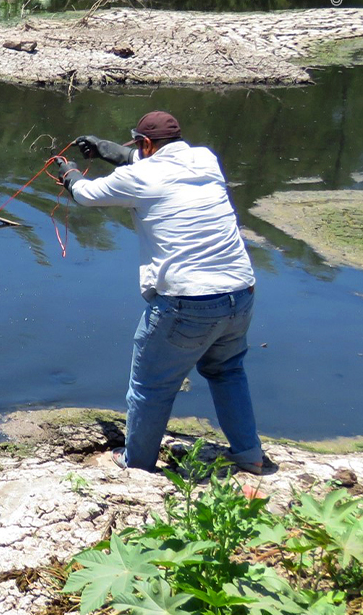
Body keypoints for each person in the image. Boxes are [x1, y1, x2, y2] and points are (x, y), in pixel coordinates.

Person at [51, 111, 267, 473]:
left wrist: (68, 172)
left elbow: (86, 195)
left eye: (137, 144)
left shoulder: (138, 176)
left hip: (187, 302)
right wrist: (107, 149)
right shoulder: (206, 159)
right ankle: (249, 455)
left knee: (151, 386)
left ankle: (136, 464)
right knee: (227, 371)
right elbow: (151, 163)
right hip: (239, 292)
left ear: (146, 144)